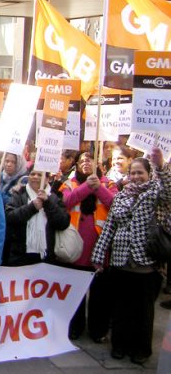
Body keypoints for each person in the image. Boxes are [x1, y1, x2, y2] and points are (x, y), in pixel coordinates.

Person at [92, 148, 171, 365]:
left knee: (143, 311)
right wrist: (98, 256)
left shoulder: (155, 193)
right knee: (121, 309)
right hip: (120, 262)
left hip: (145, 264)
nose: (136, 177)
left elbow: (168, 193)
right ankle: (120, 345)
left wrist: (161, 165)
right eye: (133, 173)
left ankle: (141, 349)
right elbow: (109, 227)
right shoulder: (120, 197)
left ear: (148, 174)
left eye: (140, 173)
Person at [60, 151, 118, 342]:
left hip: (100, 246)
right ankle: (75, 327)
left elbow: (115, 204)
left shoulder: (109, 184)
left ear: (98, 162)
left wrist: (98, 187)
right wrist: (87, 186)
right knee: (75, 291)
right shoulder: (69, 183)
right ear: (77, 165)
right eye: (82, 160)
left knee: (100, 294)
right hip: (76, 247)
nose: (86, 163)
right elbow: (67, 201)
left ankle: (97, 330)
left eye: (90, 159)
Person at [5, 169, 70, 266]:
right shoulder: (19, 194)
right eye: (32, 174)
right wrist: (32, 207)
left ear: (47, 179)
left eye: (40, 175)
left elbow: (63, 223)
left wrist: (48, 203)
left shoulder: (54, 197)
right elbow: (9, 217)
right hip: (20, 256)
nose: (35, 177)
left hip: (46, 258)